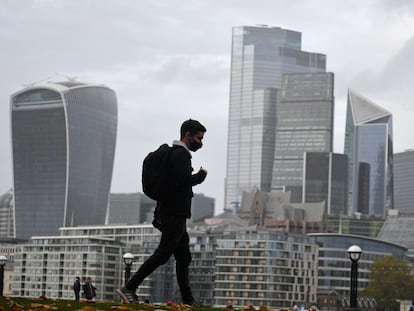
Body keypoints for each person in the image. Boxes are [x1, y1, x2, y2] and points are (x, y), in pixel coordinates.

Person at [117, 119, 208, 304]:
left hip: (173, 213)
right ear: (188, 135)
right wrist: (200, 176)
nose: (200, 143)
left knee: (184, 257)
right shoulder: (181, 155)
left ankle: (188, 300)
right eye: (199, 138)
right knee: (163, 254)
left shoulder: (174, 154)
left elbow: (172, 184)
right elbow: (184, 181)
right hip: (175, 214)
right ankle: (129, 287)